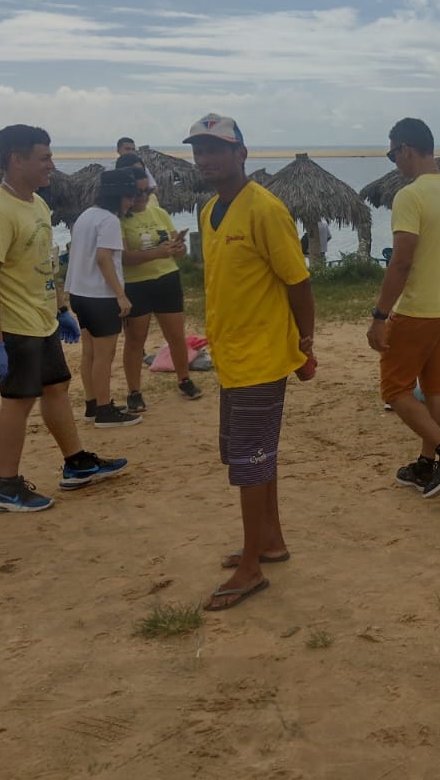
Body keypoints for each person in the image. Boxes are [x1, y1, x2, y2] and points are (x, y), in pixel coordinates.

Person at [186, 113, 316, 611]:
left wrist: (306, 344)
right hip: (231, 356)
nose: (207, 159)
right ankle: (269, 541)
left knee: (248, 463)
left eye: (216, 149)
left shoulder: (265, 209)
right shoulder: (210, 211)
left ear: (242, 153)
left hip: (262, 357)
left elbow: (298, 282)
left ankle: (251, 569)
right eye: (200, 151)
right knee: (252, 457)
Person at [0, 124, 127, 512]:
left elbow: (44, 263)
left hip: (39, 318)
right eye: (44, 158)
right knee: (18, 400)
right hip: (8, 323)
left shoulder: (36, 203)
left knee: (56, 386)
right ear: (16, 159)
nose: (51, 166)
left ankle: (76, 463)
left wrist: (59, 308)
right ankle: (5, 486)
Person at [372, 117, 440, 498]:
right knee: (434, 387)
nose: (393, 162)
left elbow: (401, 261)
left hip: (419, 309)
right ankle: (426, 465)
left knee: (394, 389)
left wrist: (380, 316)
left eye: (392, 153)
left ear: (406, 149)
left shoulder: (410, 196)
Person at [118, 170, 202, 412]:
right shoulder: (120, 218)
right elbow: (124, 257)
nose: (143, 196)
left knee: (176, 335)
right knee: (136, 339)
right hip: (136, 284)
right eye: (138, 191)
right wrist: (158, 252)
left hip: (167, 278)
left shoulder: (160, 213)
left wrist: (178, 248)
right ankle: (134, 391)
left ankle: (183, 379)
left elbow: (179, 251)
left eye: (147, 190)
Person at [65, 169, 143, 428]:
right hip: (100, 295)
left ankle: (92, 403)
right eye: (129, 197)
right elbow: (103, 258)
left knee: (89, 353)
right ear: (118, 196)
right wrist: (121, 295)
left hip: (79, 292)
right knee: (103, 356)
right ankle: (104, 410)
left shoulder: (86, 215)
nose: (131, 202)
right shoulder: (109, 221)